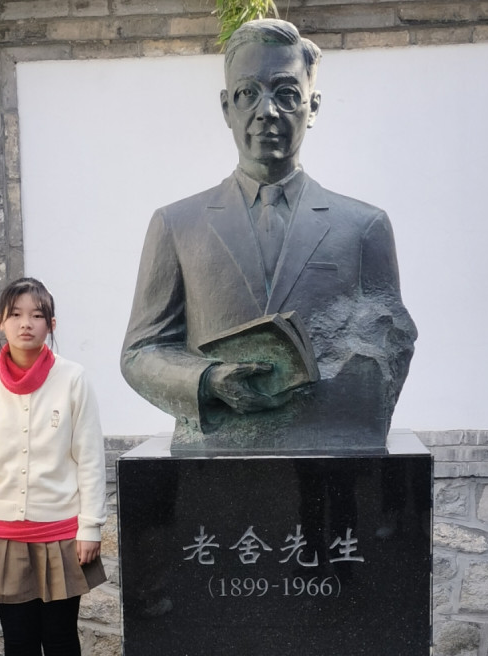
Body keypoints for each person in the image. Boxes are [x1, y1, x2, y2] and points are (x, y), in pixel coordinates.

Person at [121, 19, 417, 451]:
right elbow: (141, 351)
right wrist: (207, 380)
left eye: (286, 93)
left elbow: (391, 347)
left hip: (333, 444)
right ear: (227, 108)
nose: (267, 111)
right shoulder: (177, 225)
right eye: (248, 93)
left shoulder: (364, 227)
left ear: (313, 107)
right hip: (216, 447)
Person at [0, 277, 107, 656]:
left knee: (60, 638)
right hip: (4, 536)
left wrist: (91, 526)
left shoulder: (72, 379)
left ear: (51, 324)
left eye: (37, 315)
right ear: (0, 322)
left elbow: (89, 457)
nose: (26, 324)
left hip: (62, 534)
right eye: (16, 315)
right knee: (19, 640)